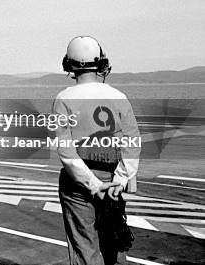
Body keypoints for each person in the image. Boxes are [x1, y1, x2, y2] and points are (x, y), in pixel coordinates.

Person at [53, 36, 140, 265]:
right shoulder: (119, 97)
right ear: (101, 63)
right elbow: (132, 144)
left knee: (85, 250)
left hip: (78, 184)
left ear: (68, 64)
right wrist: (119, 181)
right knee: (115, 246)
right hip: (112, 179)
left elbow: (67, 154)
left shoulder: (63, 100)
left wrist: (94, 186)